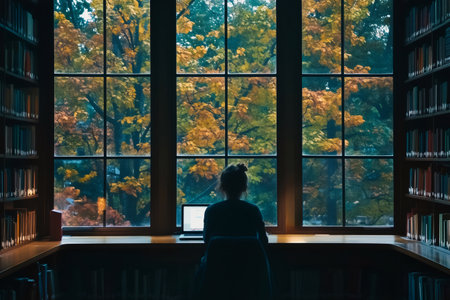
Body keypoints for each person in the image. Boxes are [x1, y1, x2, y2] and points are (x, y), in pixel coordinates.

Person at [203, 163, 268, 245]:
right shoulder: (253, 210)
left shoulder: (212, 210)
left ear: (222, 187)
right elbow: (264, 240)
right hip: (247, 257)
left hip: (220, 257)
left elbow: (206, 239)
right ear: (244, 187)